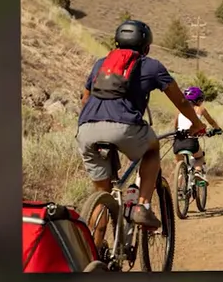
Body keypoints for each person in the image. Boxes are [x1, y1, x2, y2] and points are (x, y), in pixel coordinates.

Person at [77, 20, 206, 229]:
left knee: (102, 194)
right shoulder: (152, 66)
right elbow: (181, 101)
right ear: (146, 46)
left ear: (117, 42)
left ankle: (96, 254)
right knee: (152, 148)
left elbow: (85, 99)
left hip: (87, 128)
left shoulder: (101, 63)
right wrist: (197, 123)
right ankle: (142, 206)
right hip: (125, 127)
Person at [172, 87, 223, 185]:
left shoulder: (179, 109)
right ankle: (198, 172)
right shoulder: (200, 109)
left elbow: (175, 126)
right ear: (198, 100)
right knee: (199, 157)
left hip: (178, 142)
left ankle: (178, 189)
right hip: (191, 142)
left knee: (179, 164)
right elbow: (211, 121)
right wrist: (217, 129)